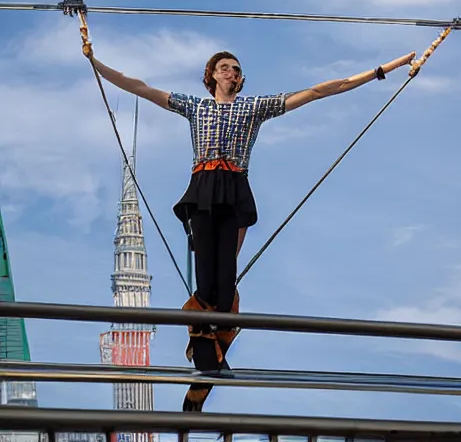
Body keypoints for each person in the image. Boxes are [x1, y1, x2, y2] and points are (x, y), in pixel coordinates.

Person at [83, 46, 416, 410]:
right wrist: (96, 64)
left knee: (225, 288)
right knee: (207, 282)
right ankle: (208, 365)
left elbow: (319, 91)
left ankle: (207, 363)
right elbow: (142, 88)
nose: (232, 73)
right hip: (204, 187)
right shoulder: (196, 106)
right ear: (211, 75)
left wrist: (381, 70)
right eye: (224, 68)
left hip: (235, 188)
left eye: (236, 69)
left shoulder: (252, 107)